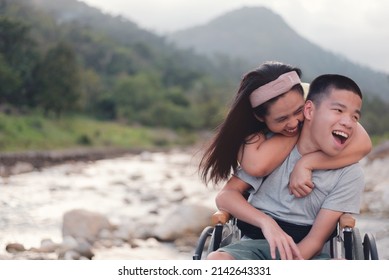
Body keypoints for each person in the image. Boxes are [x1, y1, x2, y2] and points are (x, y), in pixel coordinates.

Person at [206, 73, 367, 260]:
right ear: (309, 110)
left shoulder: (350, 173)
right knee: (216, 262)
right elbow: (226, 195)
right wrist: (267, 224)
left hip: (304, 254)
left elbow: (315, 241)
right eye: (338, 111)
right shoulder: (272, 150)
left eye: (355, 117)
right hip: (256, 245)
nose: (348, 122)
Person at [199, 61, 371, 198]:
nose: (294, 123)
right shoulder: (254, 136)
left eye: (298, 111)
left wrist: (307, 163)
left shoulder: (311, 96)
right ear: (260, 118)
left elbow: (363, 144)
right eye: (282, 119)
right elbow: (257, 166)